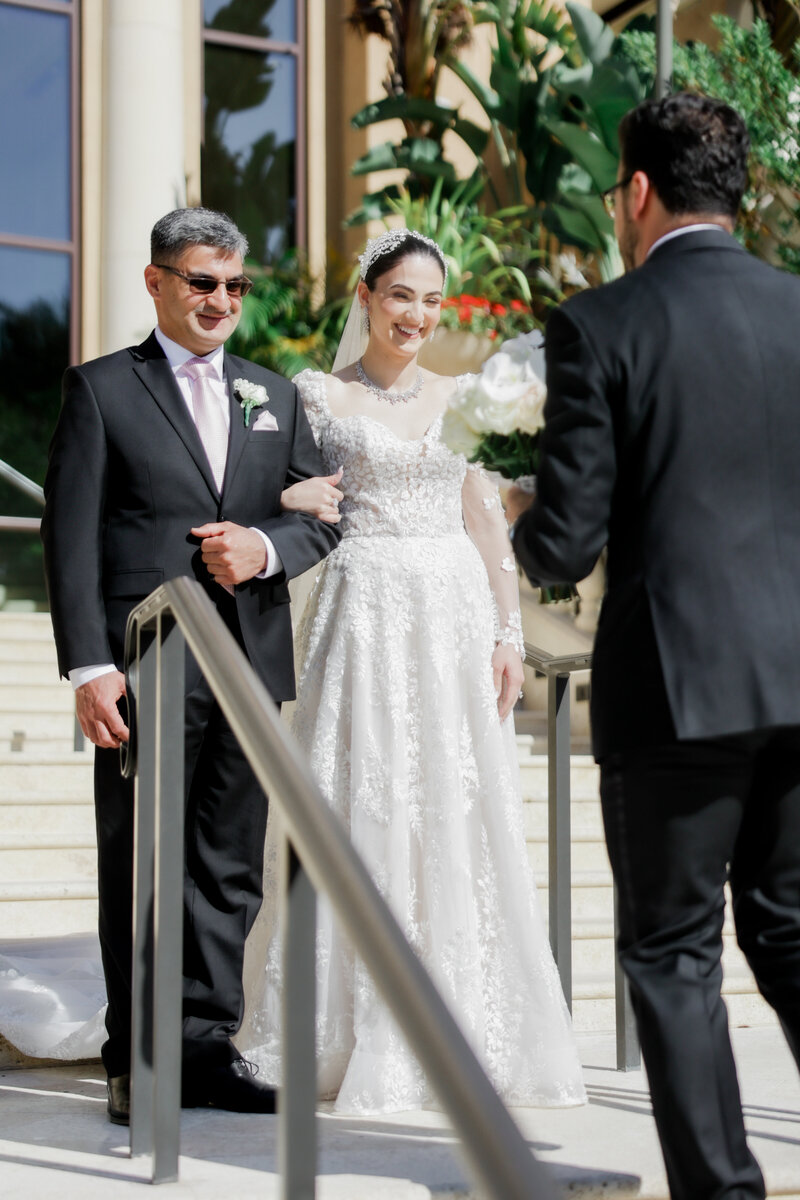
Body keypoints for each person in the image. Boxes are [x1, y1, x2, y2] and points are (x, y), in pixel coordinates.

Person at [508, 94, 800, 1199]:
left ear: (633, 191)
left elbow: (565, 540)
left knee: (672, 955)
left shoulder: (601, 323)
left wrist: (508, 514)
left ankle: (722, 1192)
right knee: (787, 930)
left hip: (676, 686)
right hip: (795, 681)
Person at [242, 228, 587, 1114]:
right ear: (366, 297)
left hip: (451, 618)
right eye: (402, 296)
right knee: (359, 802)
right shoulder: (316, 397)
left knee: (452, 811)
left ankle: (461, 1018)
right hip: (363, 614)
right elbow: (273, 487)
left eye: (433, 301)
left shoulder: (462, 397)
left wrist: (509, 632)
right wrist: (283, 498)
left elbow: (486, 522)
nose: (417, 317)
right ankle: (345, 1024)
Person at [40, 207, 341, 1123]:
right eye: (202, 282)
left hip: (249, 660)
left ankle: (206, 1048)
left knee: (228, 868)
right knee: (141, 863)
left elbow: (322, 517)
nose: (221, 301)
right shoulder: (100, 390)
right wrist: (88, 665)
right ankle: (139, 1060)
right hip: (147, 664)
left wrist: (264, 545)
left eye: (235, 286)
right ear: (157, 282)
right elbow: (71, 538)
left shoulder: (274, 395)